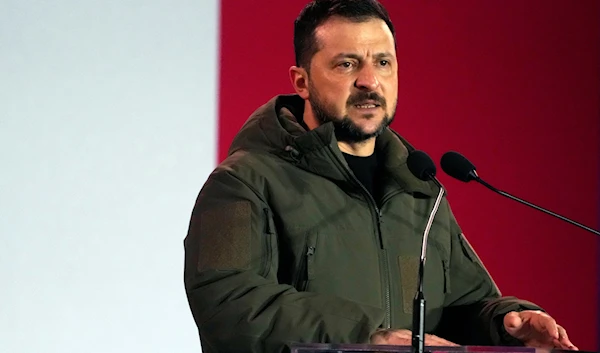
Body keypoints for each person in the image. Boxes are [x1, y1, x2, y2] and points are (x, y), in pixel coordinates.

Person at [183, 1, 578, 352]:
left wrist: (509, 322)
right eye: (347, 63)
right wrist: (368, 336)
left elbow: (460, 304)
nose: (369, 81)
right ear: (301, 81)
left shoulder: (418, 187)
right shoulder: (240, 184)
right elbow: (227, 301)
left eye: (383, 62)